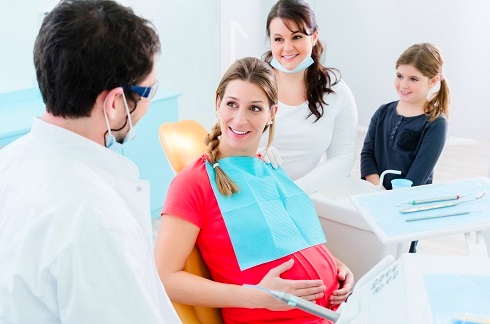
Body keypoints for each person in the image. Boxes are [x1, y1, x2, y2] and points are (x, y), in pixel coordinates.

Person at [0, 1, 180, 322]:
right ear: (114, 104)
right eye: (149, 91)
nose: (149, 103)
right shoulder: (95, 221)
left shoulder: (8, 162)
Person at [155, 57, 354, 324]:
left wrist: (336, 265)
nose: (240, 119)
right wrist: (255, 296)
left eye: (255, 108)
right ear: (218, 104)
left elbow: (294, 240)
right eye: (232, 104)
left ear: (272, 114)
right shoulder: (193, 182)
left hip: (330, 312)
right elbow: (165, 278)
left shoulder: (269, 168)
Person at [259, 0, 358, 195]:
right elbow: (221, 141)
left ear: (314, 37)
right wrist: (249, 155)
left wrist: (296, 191)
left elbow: (343, 157)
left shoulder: (336, 91)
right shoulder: (252, 83)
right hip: (252, 190)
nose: (287, 48)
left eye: (296, 37)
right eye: (278, 39)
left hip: (304, 196)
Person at [360, 43, 450, 253]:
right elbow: (367, 156)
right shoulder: (383, 112)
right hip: (376, 199)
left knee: (401, 258)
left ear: (433, 81)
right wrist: (379, 191)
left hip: (409, 211)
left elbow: (417, 177)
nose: (403, 84)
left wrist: (390, 202)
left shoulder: (435, 124)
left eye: (413, 79)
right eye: (400, 76)